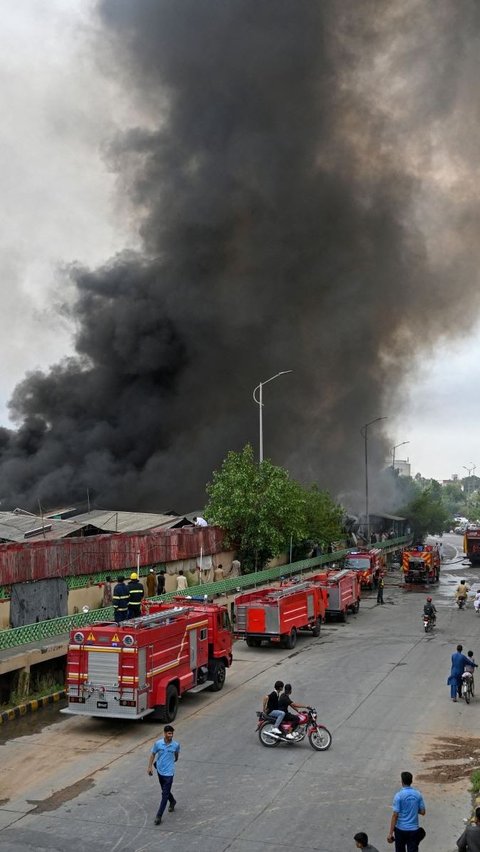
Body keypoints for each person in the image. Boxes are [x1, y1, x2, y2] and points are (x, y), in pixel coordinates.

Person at [147, 724, 180, 825]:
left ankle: (159, 816)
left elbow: (176, 755)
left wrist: (173, 761)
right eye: (169, 733)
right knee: (165, 790)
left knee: (164, 795)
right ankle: (173, 801)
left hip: (169, 773)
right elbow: (153, 754)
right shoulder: (158, 744)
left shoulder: (176, 745)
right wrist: (149, 767)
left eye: (172, 734)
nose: (171, 735)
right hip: (160, 771)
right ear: (165, 733)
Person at [387, 771, 426, 851]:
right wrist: (414, 809)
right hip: (414, 830)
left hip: (400, 830)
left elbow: (395, 815)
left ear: (402, 782)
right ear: (411, 781)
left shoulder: (399, 796)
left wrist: (390, 833)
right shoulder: (418, 794)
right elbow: (423, 812)